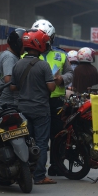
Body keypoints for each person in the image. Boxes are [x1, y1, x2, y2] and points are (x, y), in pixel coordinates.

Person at [10, 29, 57, 185]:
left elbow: (13, 87)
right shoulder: (43, 66)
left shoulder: (17, 64)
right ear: (39, 45)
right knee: (41, 143)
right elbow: (51, 88)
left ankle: (26, 173)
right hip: (41, 110)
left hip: (22, 109)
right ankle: (39, 176)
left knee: (25, 142)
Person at [31, 19, 73, 177]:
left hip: (56, 102)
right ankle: (34, 167)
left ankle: (56, 165)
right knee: (35, 136)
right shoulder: (27, 55)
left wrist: (62, 79)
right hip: (36, 100)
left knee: (57, 135)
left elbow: (70, 73)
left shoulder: (61, 55)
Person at [0, 28, 25, 107]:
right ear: (18, 44)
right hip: (8, 103)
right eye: (24, 44)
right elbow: (9, 80)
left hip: (12, 102)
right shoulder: (9, 57)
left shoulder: (14, 56)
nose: (25, 48)